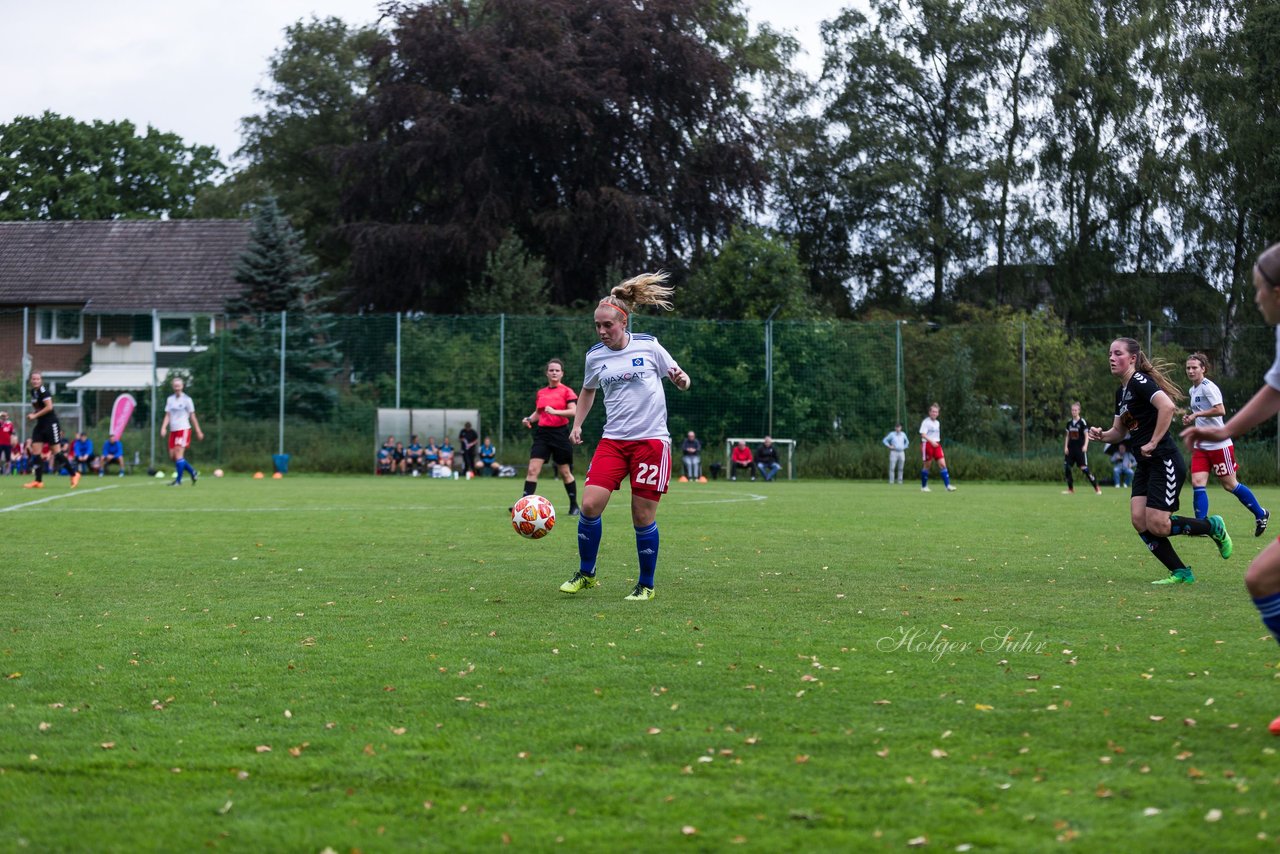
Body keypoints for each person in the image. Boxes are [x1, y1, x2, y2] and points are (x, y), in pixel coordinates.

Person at [1181, 240, 1280, 733]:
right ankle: (1208, 524)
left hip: (1218, 439)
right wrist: (1218, 428)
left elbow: (1229, 405)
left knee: (1227, 485)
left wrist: (1215, 422)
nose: (1255, 298)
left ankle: (1252, 513)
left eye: (1258, 289)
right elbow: (1274, 390)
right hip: (1215, 439)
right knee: (1261, 578)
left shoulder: (1211, 389)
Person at [560, 272, 691, 601]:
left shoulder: (648, 345)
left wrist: (681, 380)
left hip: (651, 442)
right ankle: (586, 573)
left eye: (608, 325)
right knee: (589, 505)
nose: (602, 332)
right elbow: (587, 391)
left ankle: (646, 584)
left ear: (624, 321)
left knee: (641, 515)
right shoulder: (595, 356)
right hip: (613, 442)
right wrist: (577, 424)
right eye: (598, 326)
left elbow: (680, 377)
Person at [1088, 337, 1232, 585]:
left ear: (1132, 358)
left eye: (1117, 353)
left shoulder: (1140, 382)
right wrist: (1101, 436)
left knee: (1158, 524)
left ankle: (1212, 526)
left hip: (1164, 460)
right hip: (1145, 463)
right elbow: (1119, 432)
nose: (1111, 358)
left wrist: (1154, 442)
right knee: (1139, 520)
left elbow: (1167, 406)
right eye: (1110, 353)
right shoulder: (1121, 391)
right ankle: (1181, 572)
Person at [1182, 352, 1269, 536]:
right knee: (1198, 482)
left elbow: (1220, 410)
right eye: (1188, 367)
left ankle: (1261, 513)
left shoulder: (1208, 387)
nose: (1190, 371)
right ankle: (1201, 527)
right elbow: (1203, 413)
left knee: (1230, 484)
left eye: (1194, 367)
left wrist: (1197, 414)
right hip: (1201, 447)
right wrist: (1191, 417)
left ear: (1203, 369)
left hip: (1219, 445)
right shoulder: (1192, 390)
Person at [516, 358, 580, 516]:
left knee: (565, 472)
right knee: (532, 470)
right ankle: (524, 507)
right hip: (543, 435)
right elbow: (539, 412)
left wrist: (556, 412)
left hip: (560, 434)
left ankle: (574, 506)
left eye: (557, 370)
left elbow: (574, 411)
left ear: (562, 373)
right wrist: (529, 419)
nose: (554, 373)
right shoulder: (542, 393)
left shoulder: (567, 391)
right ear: (547, 373)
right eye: (551, 370)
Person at [24, 371, 79, 489]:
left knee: (57, 453)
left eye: (37, 379)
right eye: (33, 379)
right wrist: (34, 414)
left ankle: (74, 474)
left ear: (41, 380)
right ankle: (38, 481)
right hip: (41, 424)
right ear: (31, 380)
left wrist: (35, 415)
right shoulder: (33, 392)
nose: (35, 381)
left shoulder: (44, 391)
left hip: (51, 424)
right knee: (36, 452)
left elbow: (49, 407)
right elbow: (38, 408)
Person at [160, 376, 204, 486]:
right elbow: (168, 415)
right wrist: (163, 427)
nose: (177, 388)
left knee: (179, 454)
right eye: (175, 386)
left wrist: (198, 431)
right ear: (173, 387)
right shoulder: (170, 399)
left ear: (182, 386)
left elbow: (192, 416)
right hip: (173, 430)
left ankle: (178, 481)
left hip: (183, 429)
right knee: (173, 457)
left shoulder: (187, 400)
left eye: (179, 386)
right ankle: (192, 472)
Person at [1062, 401, 1102, 495]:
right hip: (1070, 450)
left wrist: (1085, 446)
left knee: (1085, 469)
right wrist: (1065, 447)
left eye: (1075, 410)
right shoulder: (1069, 423)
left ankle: (1096, 487)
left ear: (1079, 411)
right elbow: (1067, 436)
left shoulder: (1082, 422)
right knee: (1067, 467)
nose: (1074, 412)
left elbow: (1086, 435)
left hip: (1080, 450)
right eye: (1072, 410)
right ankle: (1070, 489)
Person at [918, 403, 956, 492]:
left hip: (936, 445)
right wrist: (931, 441)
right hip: (927, 444)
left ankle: (948, 486)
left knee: (943, 464)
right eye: (933, 412)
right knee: (927, 466)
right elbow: (923, 435)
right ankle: (924, 487)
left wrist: (935, 443)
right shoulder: (926, 422)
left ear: (938, 413)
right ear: (929, 412)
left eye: (936, 412)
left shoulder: (937, 423)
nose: (934, 413)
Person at [0, 411, 13, 475]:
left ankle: (7, 471)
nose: (4, 417)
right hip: (0, 443)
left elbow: (10, 433)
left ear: (7, 416)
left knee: (8, 458)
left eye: (5, 416)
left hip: (7, 444)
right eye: (3, 416)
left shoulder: (10, 424)